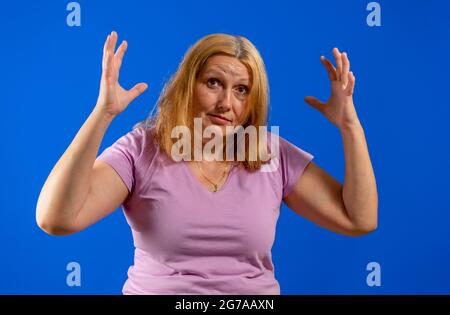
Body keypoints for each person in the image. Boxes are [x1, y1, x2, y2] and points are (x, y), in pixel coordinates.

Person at [36, 31, 378, 295]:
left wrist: (350, 125)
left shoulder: (270, 154)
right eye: (213, 83)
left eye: (242, 90)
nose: (226, 103)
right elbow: (57, 219)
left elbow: (358, 219)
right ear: (189, 85)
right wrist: (103, 113)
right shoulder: (142, 149)